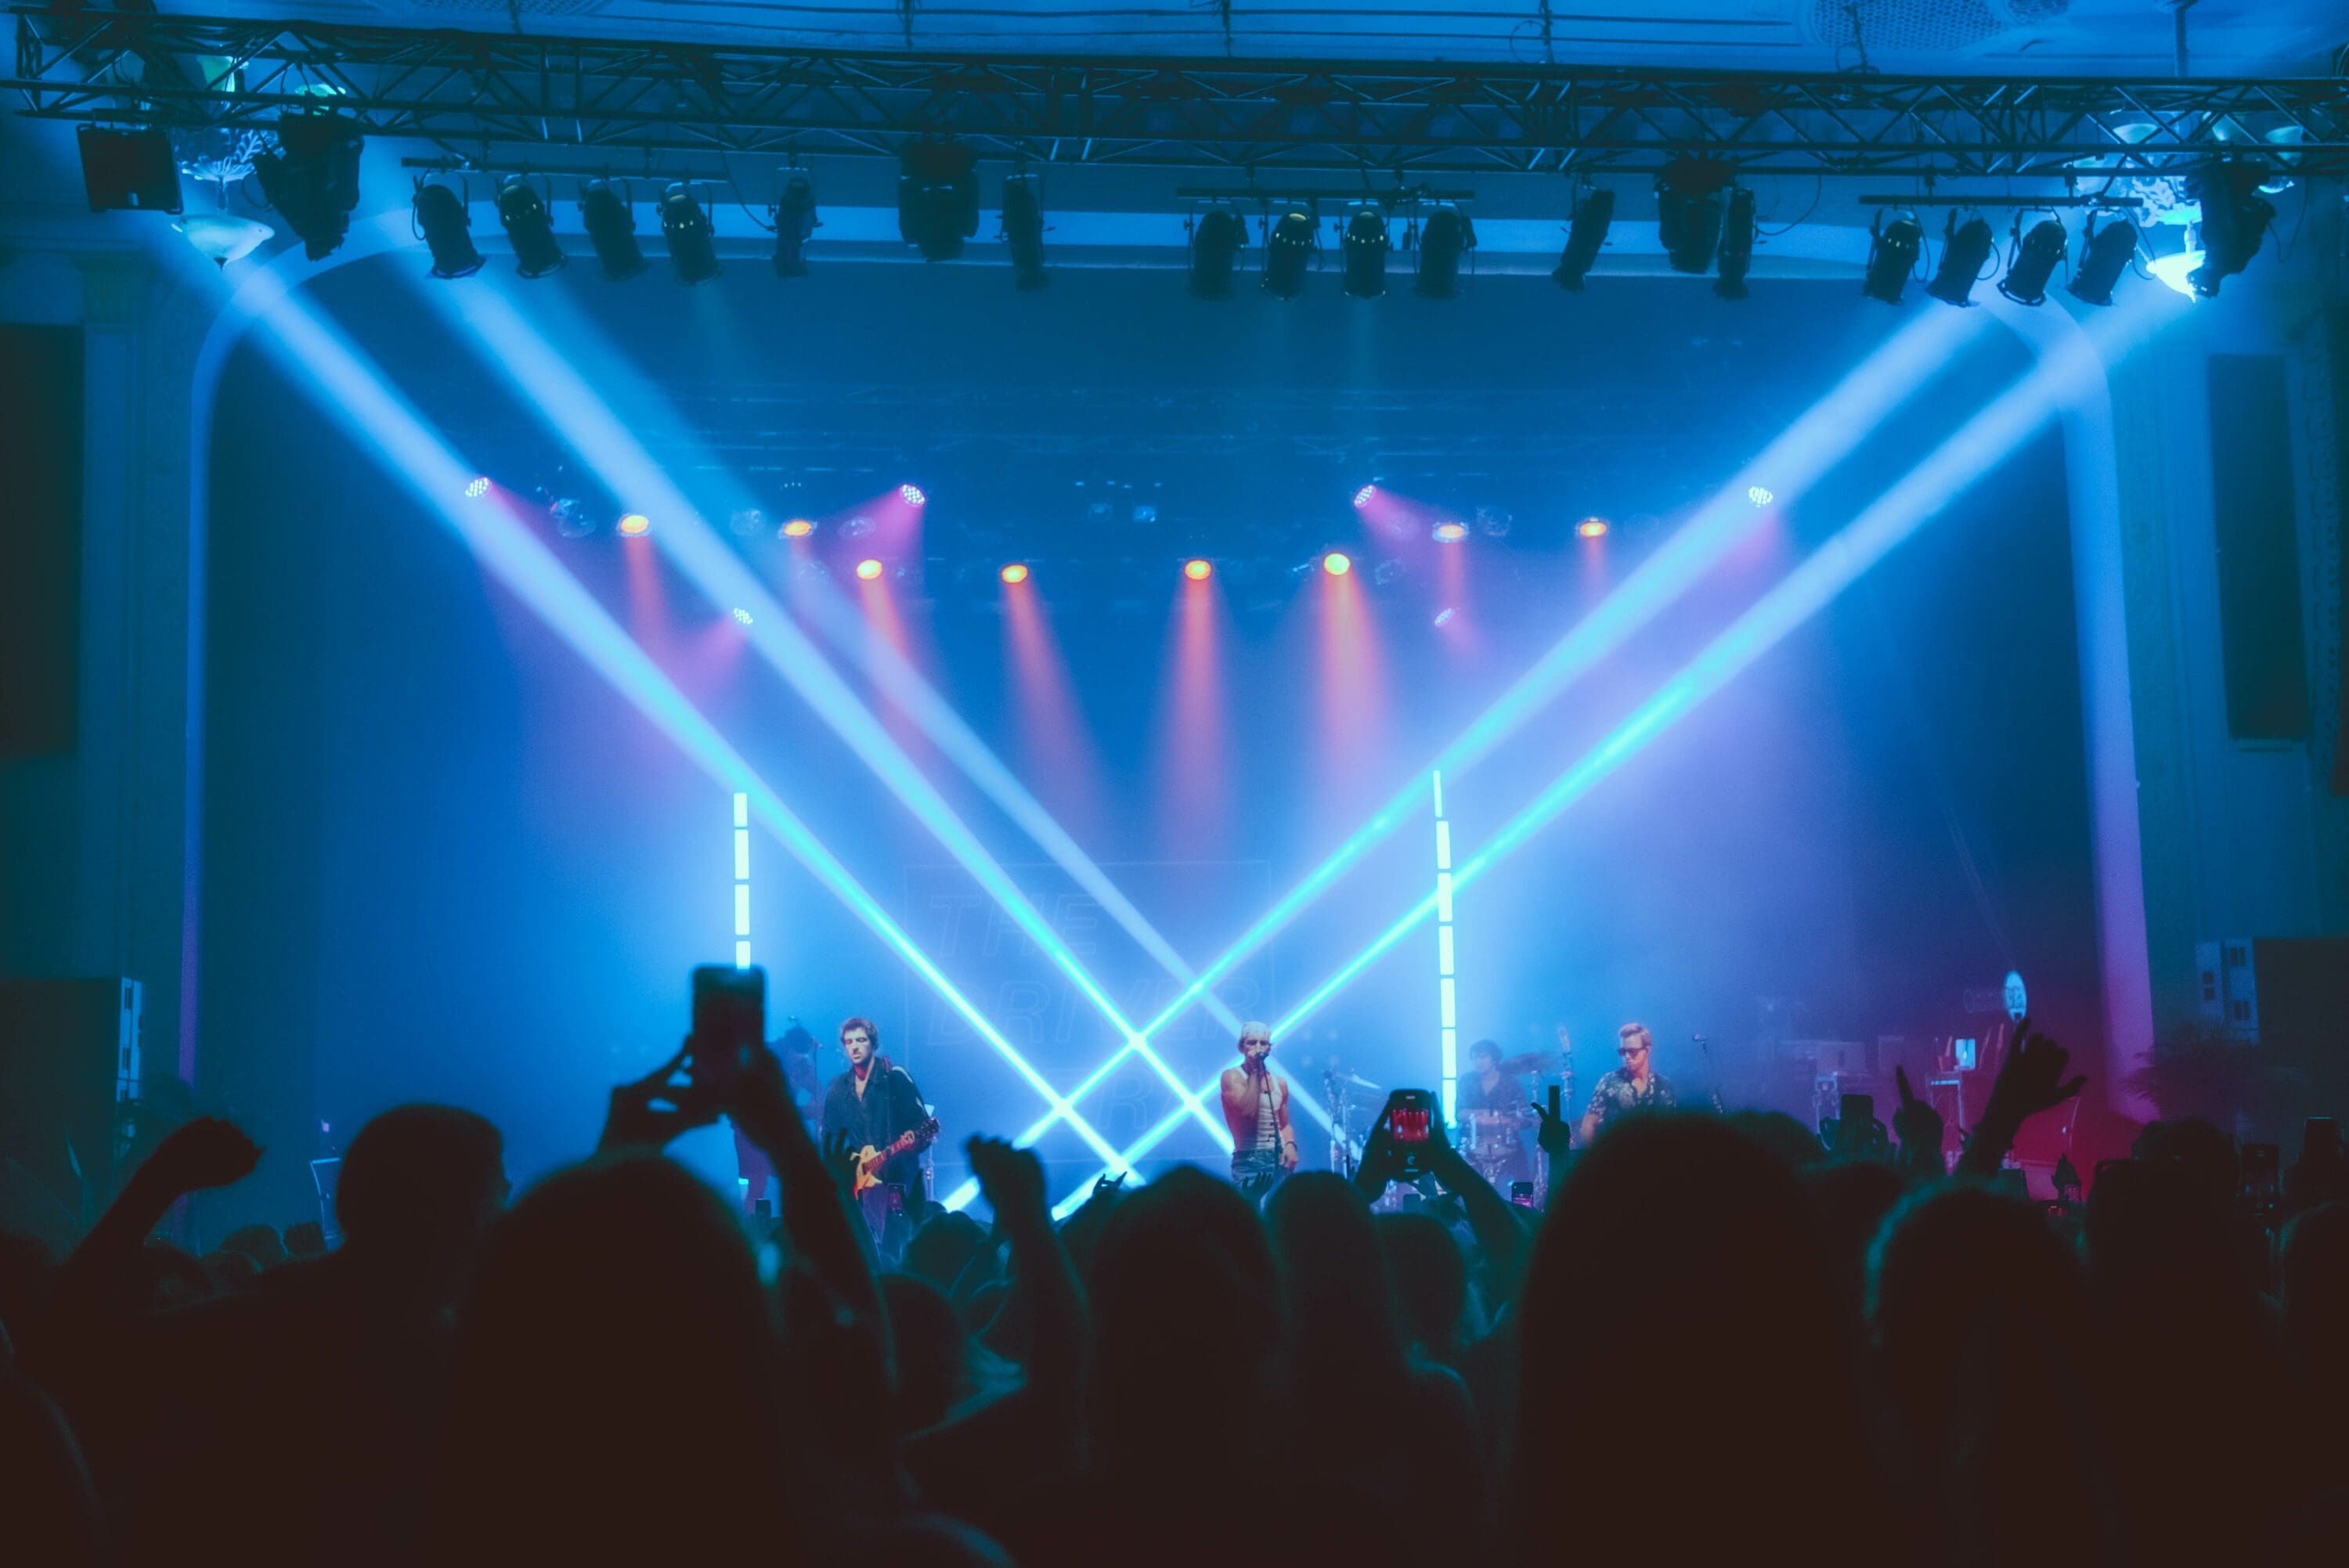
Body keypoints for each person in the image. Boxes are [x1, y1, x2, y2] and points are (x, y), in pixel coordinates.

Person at [819, 1016, 934, 1264]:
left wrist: (912, 1141)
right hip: (859, 1188)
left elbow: (922, 1125)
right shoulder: (838, 1089)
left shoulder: (895, 1078)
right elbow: (828, 1138)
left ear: (873, 1044)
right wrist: (850, 1169)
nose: (855, 1046)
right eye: (849, 1042)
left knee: (904, 1253)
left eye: (861, 1040)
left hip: (898, 1182)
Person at [1218, 1021, 1298, 1201]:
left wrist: (1291, 1145)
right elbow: (1246, 1110)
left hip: (1278, 1160)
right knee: (1251, 1216)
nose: (1258, 1047)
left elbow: (1284, 1124)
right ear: (1242, 1047)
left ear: (1269, 1048)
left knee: (1280, 1217)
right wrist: (1255, 1070)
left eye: (1263, 1043)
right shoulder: (1232, 1077)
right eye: (1252, 1043)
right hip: (1249, 1160)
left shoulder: (1280, 1083)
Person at [1576, 1021, 1677, 1146]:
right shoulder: (1609, 1081)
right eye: (1623, 1052)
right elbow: (1588, 1125)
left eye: (1632, 1052)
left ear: (1647, 1050)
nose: (1627, 1057)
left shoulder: (1664, 1085)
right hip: (1617, 1159)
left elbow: (1673, 1129)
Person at [1456, 1038, 1534, 1190]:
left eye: (1483, 1057)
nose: (1478, 1061)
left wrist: (1516, 1121)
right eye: (1475, 1057)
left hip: (1506, 1142)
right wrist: (1482, 1115)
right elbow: (1459, 1113)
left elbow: (1525, 1116)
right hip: (1472, 1142)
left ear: (1494, 1058)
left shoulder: (1511, 1083)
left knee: (1522, 1178)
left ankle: (1522, 1209)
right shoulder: (1467, 1081)